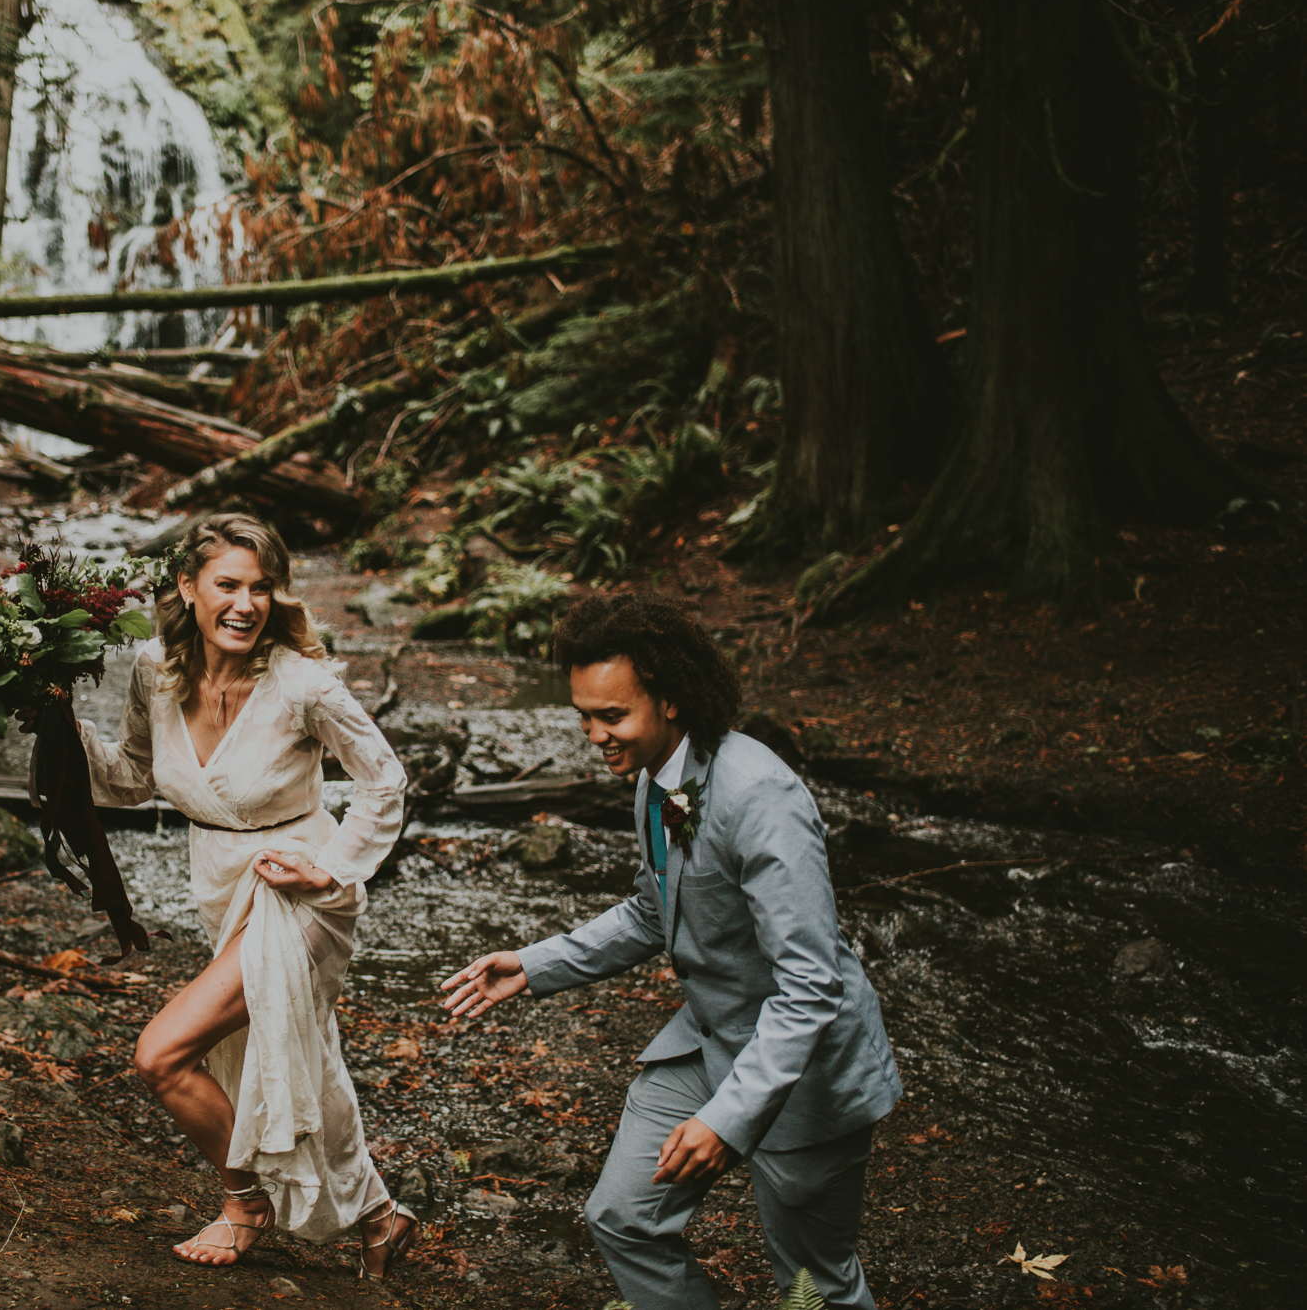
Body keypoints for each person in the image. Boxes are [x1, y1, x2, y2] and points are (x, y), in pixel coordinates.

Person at [440, 591, 901, 1310]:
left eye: (612, 716)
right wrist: (532, 966)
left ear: (674, 700)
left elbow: (811, 985)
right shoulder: (655, 779)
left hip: (805, 1073)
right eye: (584, 717)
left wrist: (727, 1119)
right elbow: (651, 912)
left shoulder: (761, 798)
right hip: (708, 1042)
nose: (594, 736)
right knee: (623, 1217)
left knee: (816, 1286)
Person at [77, 512, 419, 1278]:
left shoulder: (302, 684)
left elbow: (384, 778)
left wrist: (330, 870)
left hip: (295, 888)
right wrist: (56, 725)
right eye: (227, 584)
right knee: (289, 1058)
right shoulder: (154, 672)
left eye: (261, 587)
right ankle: (379, 1219)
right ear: (187, 587)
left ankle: (245, 1203)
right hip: (220, 886)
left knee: (162, 1054)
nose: (245, 603)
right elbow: (132, 777)